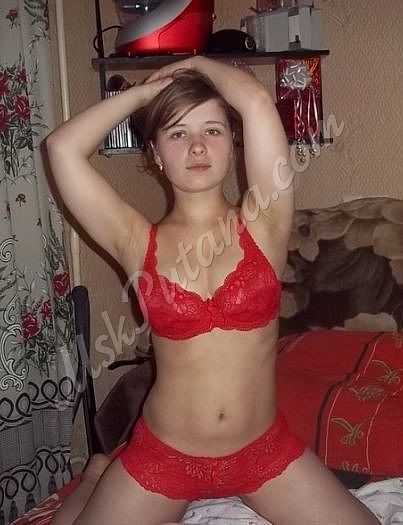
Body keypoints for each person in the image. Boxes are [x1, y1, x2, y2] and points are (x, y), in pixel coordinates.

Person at [47, 56, 379, 525]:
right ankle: (95, 476)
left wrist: (197, 63)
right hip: (164, 458)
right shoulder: (137, 241)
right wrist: (146, 93)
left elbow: (257, 101)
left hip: (262, 452)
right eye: (177, 133)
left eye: (213, 130)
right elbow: (61, 147)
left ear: (233, 143)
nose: (198, 146)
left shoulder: (265, 223)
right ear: (156, 154)